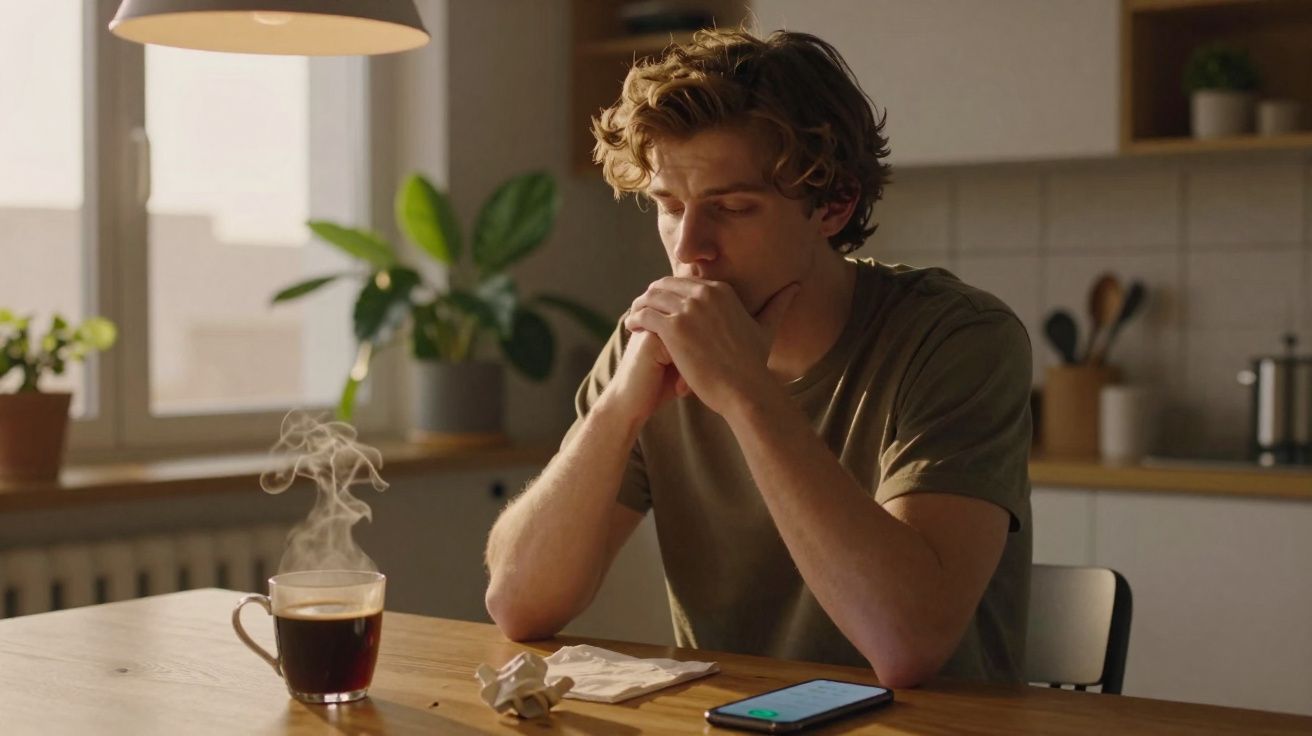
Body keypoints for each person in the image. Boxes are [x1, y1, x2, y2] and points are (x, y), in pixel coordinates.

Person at [483, 27, 1032, 688]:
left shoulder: (958, 338)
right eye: (668, 206)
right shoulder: (651, 346)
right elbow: (518, 604)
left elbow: (905, 644)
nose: (690, 248)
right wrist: (619, 408)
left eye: (733, 207)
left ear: (834, 205)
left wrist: (747, 393)